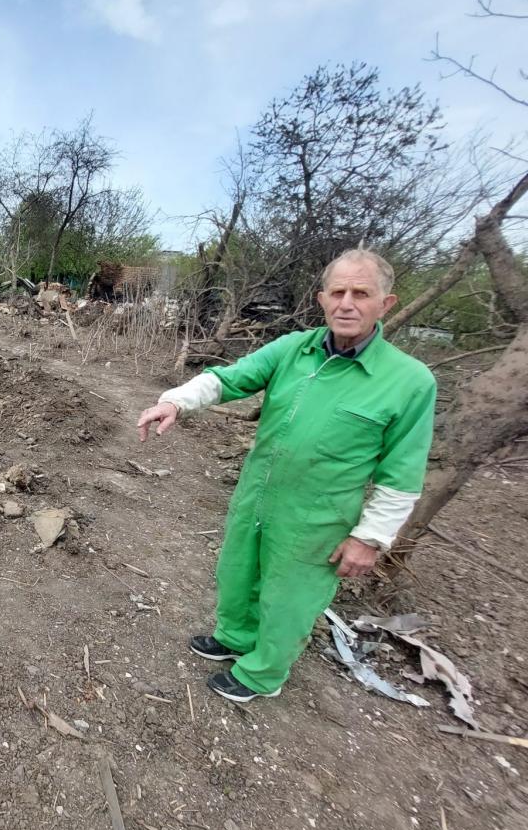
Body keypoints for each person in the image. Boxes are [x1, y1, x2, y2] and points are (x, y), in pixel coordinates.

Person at [137, 249, 436, 703]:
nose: (347, 304)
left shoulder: (409, 381)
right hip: (257, 493)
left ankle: (263, 673)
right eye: (338, 292)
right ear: (322, 298)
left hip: (318, 516)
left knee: (290, 596)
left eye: (361, 293)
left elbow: (402, 475)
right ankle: (235, 636)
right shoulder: (294, 349)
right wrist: (175, 401)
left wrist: (370, 537)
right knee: (237, 571)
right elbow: (229, 379)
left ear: (385, 304)